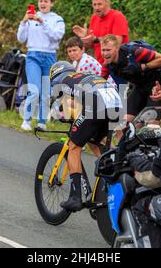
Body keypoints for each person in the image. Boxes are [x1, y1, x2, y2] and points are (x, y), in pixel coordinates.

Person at [50, 61, 123, 212]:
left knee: (74, 146)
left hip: (97, 104)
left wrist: (60, 115)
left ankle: (75, 197)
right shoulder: (83, 76)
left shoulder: (63, 81)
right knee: (94, 140)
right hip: (116, 103)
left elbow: (65, 107)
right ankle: (111, 175)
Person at [17, 0, 65, 131]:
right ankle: (26, 119)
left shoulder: (57, 19)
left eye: (45, 1)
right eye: (40, 1)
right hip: (33, 55)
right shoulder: (31, 19)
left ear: (51, 3)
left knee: (46, 91)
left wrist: (42, 22)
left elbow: (57, 36)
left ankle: (42, 122)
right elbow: (21, 38)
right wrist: (24, 21)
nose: (42, 3)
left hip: (49, 56)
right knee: (34, 89)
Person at [100, 34, 161, 126]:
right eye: (103, 50)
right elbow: (100, 83)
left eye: (108, 50)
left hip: (155, 85)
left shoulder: (135, 52)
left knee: (151, 124)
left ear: (117, 48)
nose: (105, 53)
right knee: (125, 122)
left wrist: (143, 67)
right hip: (139, 87)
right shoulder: (107, 65)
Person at [72, 0, 129, 85]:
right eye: (94, 5)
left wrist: (95, 39)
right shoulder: (94, 18)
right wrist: (85, 37)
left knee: (120, 97)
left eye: (99, 4)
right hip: (101, 67)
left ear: (107, 3)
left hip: (118, 66)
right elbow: (91, 45)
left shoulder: (117, 16)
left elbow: (117, 42)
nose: (96, 8)